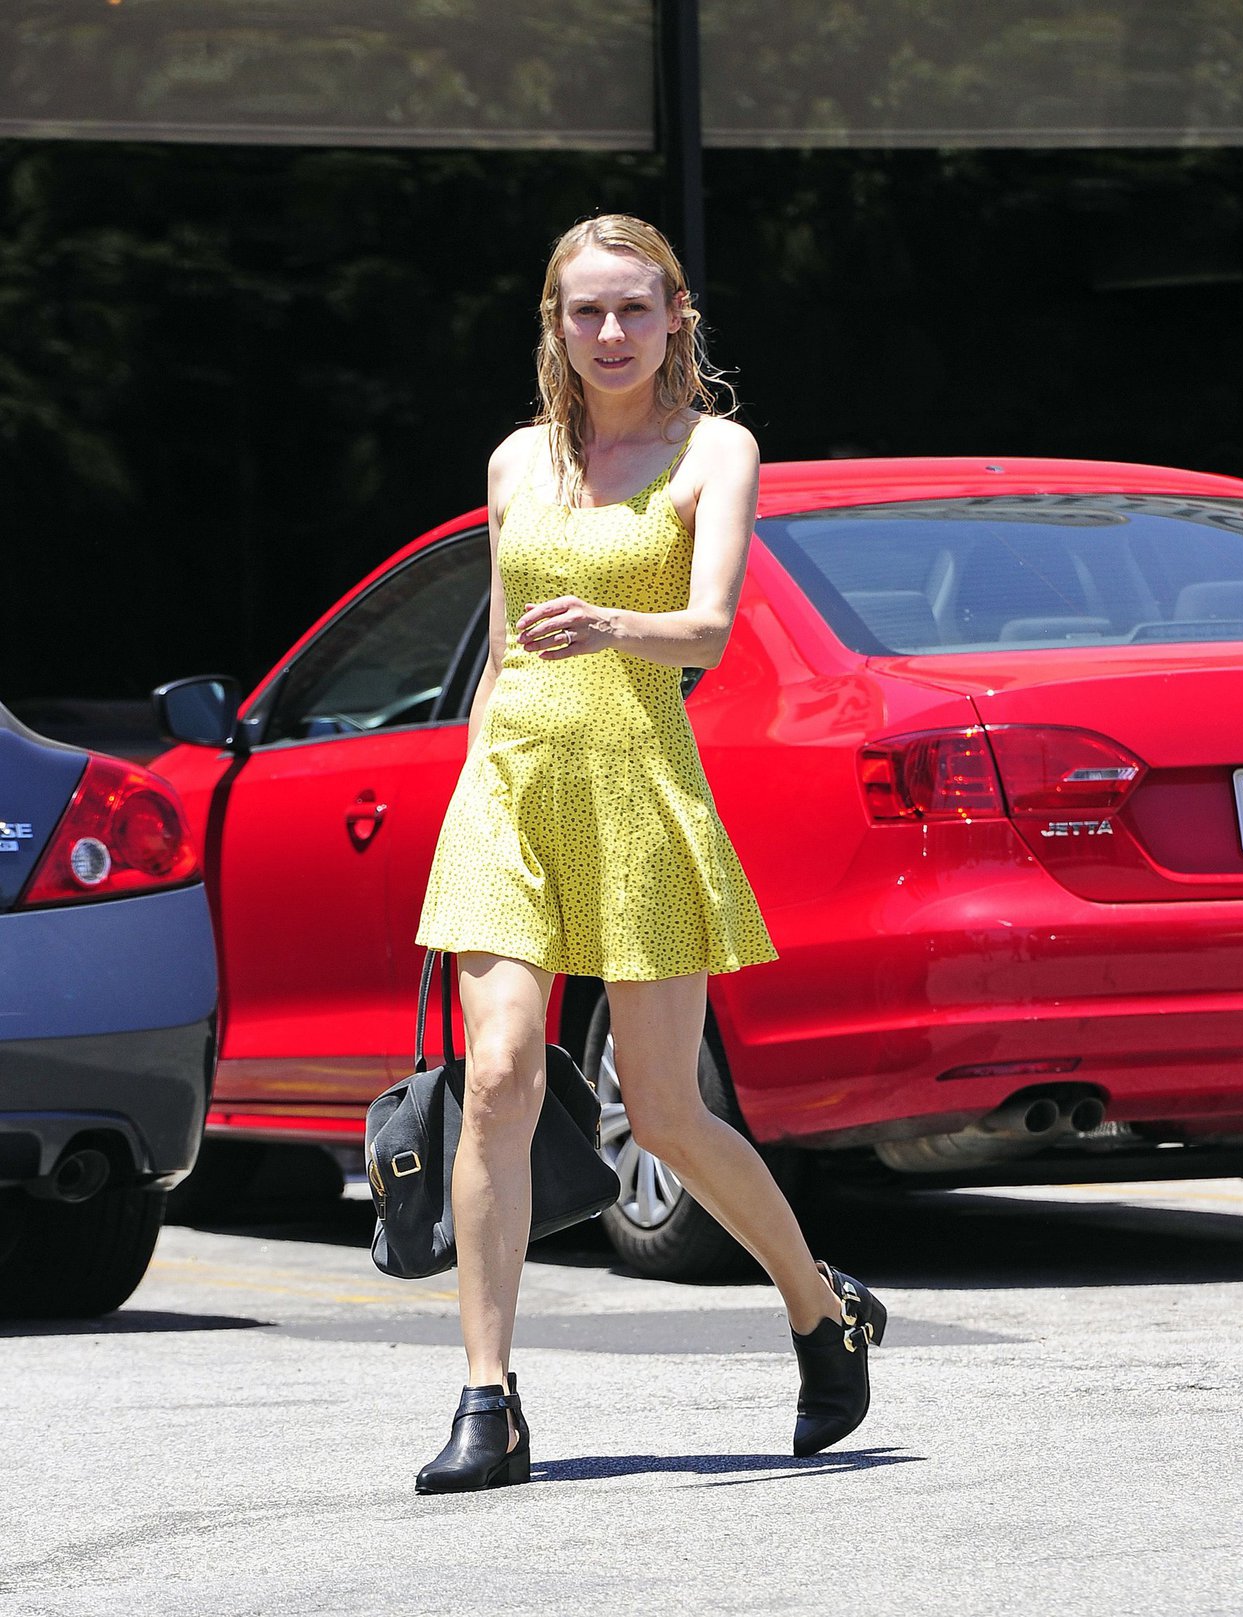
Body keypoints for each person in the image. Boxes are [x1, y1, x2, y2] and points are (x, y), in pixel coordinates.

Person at [412, 214, 886, 1493]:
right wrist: (467, 793)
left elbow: (712, 629)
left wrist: (612, 620)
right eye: (584, 314)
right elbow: (504, 656)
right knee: (500, 1076)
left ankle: (817, 1305)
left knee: (667, 1112)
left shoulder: (711, 450)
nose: (609, 335)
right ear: (553, 326)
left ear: (676, 314)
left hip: (637, 791)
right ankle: (486, 1399)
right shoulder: (516, 460)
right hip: (508, 789)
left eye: (632, 310)